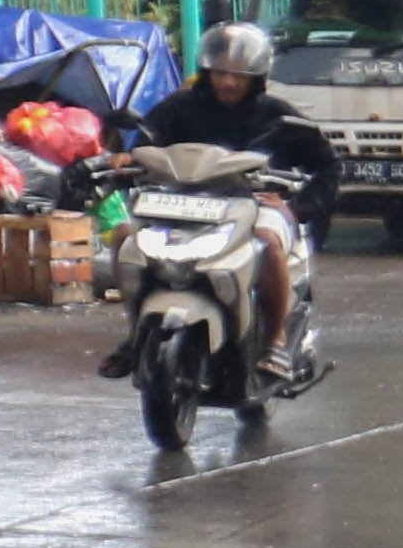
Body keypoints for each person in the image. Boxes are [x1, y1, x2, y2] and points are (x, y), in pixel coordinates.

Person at [105, 26, 341, 384]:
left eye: (239, 76)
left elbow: (327, 165)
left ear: (256, 78)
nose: (228, 83)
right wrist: (124, 160)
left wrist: (298, 205)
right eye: (220, 73)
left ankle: (275, 338)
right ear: (207, 71)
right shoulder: (178, 108)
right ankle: (135, 332)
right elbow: (144, 144)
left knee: (268, 242)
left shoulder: (278, 116)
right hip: (180, 203)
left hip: (253, 205)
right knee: (124, 236)